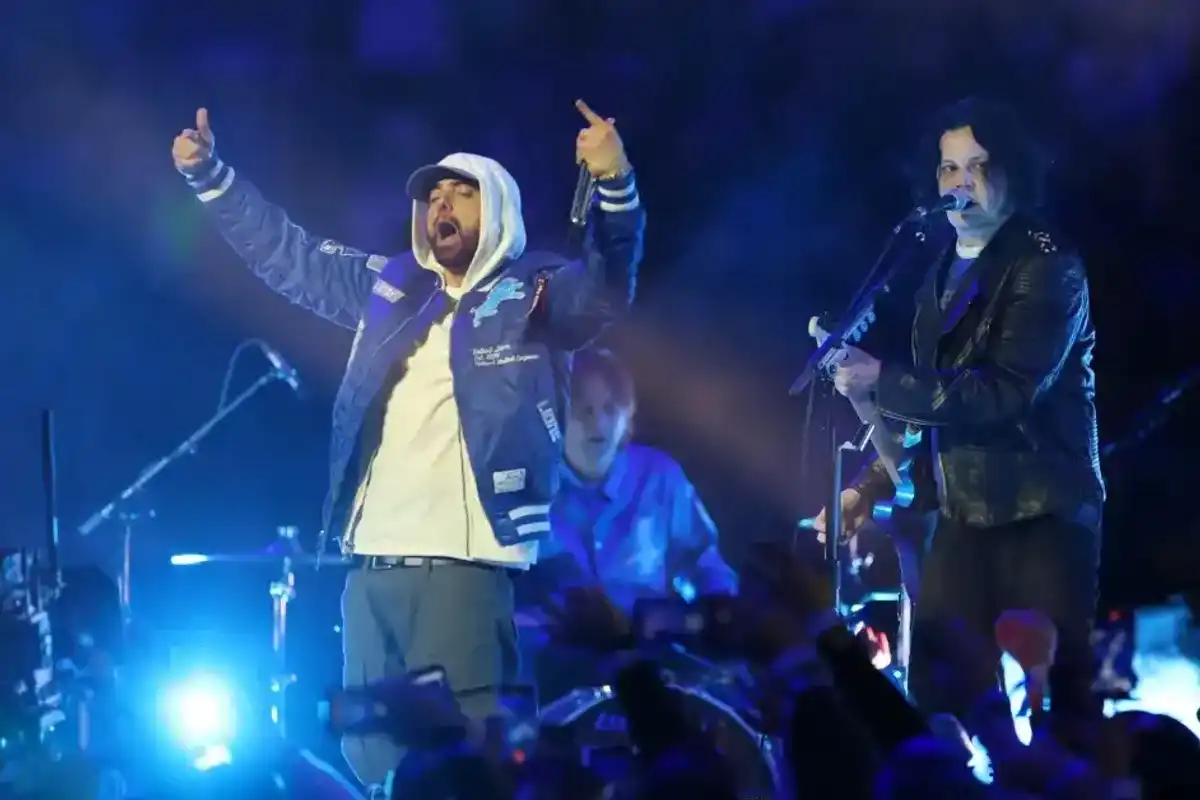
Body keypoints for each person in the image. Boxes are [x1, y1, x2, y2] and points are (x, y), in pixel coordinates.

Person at [171, 101, 645, 794]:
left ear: (500, 211)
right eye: (432, 196)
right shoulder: (391, 289)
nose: (440, 205)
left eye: (461, 192)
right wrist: (212, 178)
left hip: (461, 566)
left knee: (463, 762)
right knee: (372, 757)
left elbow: (606, 286)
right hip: (369, 567)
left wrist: (615, 184)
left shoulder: (531, 291)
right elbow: (292, 256)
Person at [815, 97, 1104, 727]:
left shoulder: (1048, 265)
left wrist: (883, 378)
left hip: (1043, 516)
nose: (961, 182)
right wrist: (865, 487)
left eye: (977, 165)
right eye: (949, 169)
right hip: (963, 516)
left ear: (1012, 174)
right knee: (943, 692)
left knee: (1058, 705)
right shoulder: (938, 277)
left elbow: (1001, 392)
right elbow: (927, 416)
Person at [517, 348, 737, 701]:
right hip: (552, 679)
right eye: (582, 410)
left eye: (610, 409)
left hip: (652, 668)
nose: (598, 423)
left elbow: (704, 566)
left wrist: (710, 613)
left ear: (628, 415)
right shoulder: (525, 486)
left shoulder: (659, 477)